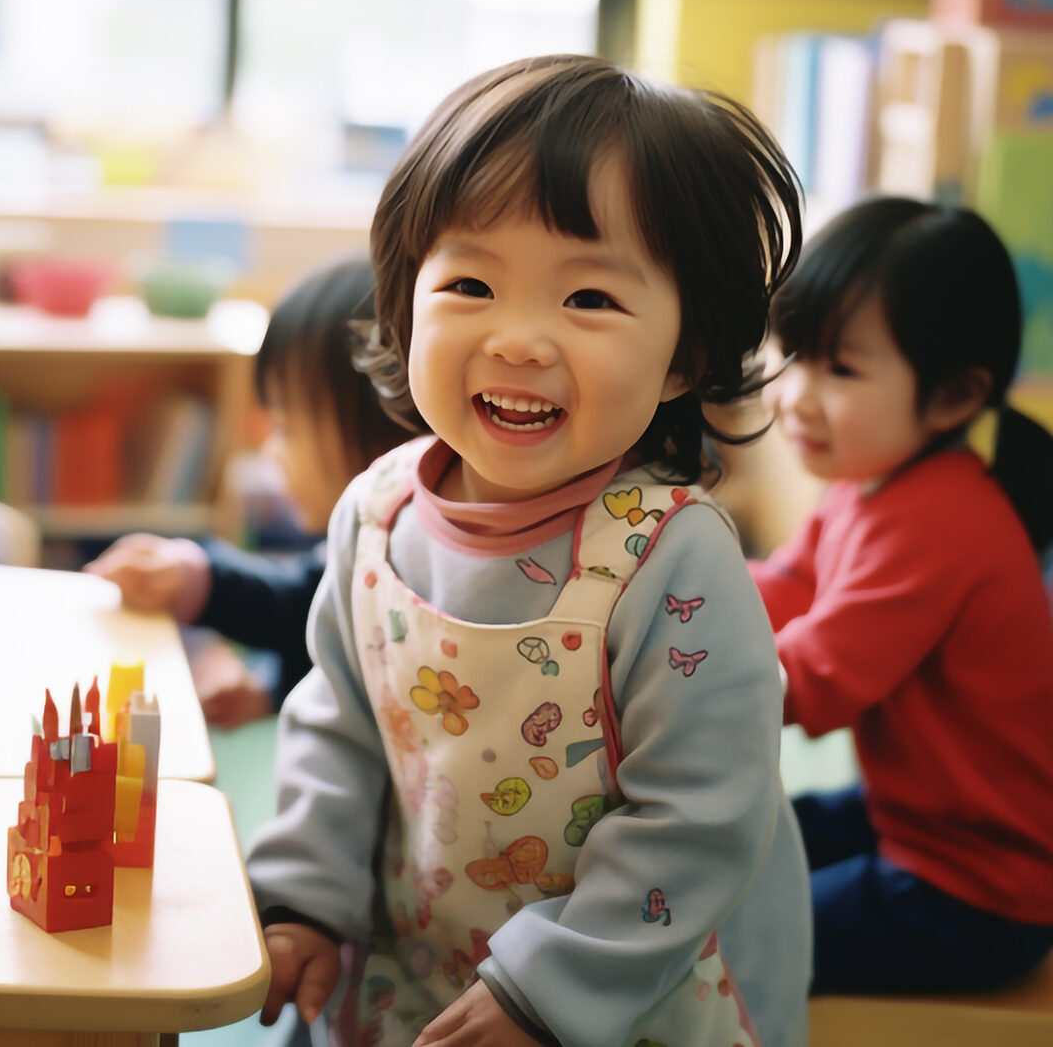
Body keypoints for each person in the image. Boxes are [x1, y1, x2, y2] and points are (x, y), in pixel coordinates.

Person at [248, 55, 811, 1047]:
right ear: (404, 295)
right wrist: (302, 896)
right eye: (470, 283)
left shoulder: (670, 562)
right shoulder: (374, 513)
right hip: (412, 961)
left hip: (611, 990)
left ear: (682, 354)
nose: (518, 339)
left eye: (589, 300)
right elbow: (337, 719)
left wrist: (547, 991)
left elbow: (699, 819)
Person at [752, 198, 1053, 993]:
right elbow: (789, 586)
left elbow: (812, 680)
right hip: (915, 818)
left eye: (840, 368)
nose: (795, 393)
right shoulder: (872, 483)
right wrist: (670, 602)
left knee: (725, 929)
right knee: (728, 841)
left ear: (954, 398)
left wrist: (669, 675)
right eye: (792, 352)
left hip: (976, 890)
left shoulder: (937, 522)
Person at [88, 258, 417, 726]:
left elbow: (301, 602)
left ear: (387, 436)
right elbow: (314, 613)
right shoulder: (362, 542)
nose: (271, 451)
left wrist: (201, 581)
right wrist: (269, 690)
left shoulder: (414, 564)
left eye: (285, 427)